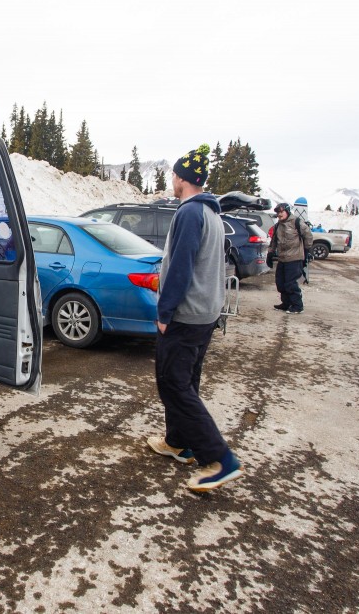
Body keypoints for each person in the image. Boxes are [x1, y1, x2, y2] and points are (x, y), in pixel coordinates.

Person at [147, 144, 243, 493]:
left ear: (182, 179)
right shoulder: (212, 214)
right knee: (184, 382)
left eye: (174, 175)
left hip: (185, 316)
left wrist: (165, 311)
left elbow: (182, 266)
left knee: (173, 384)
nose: (172, 180)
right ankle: (179, 443)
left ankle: (220, 460)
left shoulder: (190, 213)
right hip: (205, 313)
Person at [271, 202, 313, 313]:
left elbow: (308, 235)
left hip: (294, 258)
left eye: (281, 212)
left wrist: (307, 250)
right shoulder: (278, 226)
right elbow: (274, 241)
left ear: (287, 211)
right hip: (282, 259)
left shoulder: (297, 222)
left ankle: (297, 306)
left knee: (290, 283)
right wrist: (270, 253)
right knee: (280, 282)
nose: (279, 214)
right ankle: (286, 303)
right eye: (278, 212)